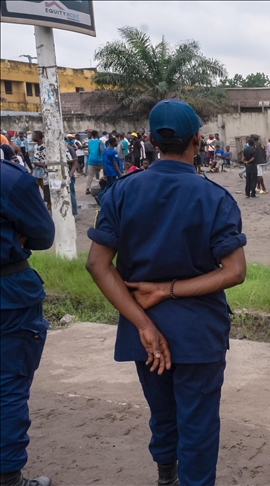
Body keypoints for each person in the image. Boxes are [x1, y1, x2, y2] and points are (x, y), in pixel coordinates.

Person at [86, 99, 247, 486]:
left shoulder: (122, 192)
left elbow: (97, 263)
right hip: (198, 335)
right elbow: (235, 271)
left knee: (162, 416)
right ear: (197, 140)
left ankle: (166, 479)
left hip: (144, 334)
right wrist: (169, 289)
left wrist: (142, 323)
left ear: (153, 142)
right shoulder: (214, 198)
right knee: (199, 426)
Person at [0, 154, 56, 486]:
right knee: (8, 387)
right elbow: (44, 235)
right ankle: (8, 478)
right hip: (8, 297)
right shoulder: (9, 179)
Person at [29, 131, 49, 210]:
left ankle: (49, 208)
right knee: (35, 192)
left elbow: (40, 161)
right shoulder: (36, 147)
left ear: (37, 137)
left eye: (33, 136)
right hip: (37, 174)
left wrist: (41, 165)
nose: (32, 137)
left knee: (46, 192)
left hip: (43, 174)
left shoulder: (44, 147)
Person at [85, 130, 104, 195]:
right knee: (103, 172)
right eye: (98, 134)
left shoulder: (89, 142)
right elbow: (102, 150)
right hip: (99, 160)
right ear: (96, 135)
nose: (99, 135)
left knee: (90, 175)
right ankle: (103, 186)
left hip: (91, 160)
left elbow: (89, 151)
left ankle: (87, 189)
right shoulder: (100, 142)